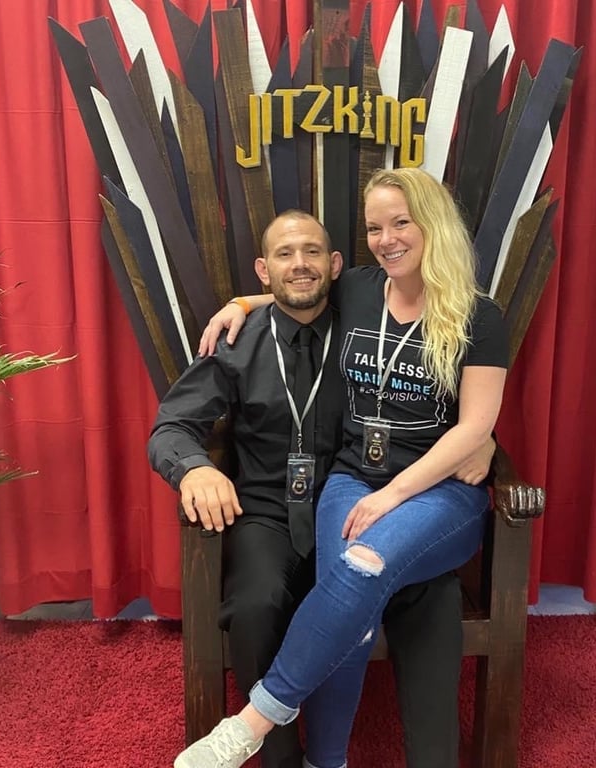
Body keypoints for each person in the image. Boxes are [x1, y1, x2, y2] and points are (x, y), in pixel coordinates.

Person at [181, 167, 509, 768]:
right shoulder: (360, 288)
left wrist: (393, 495)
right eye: (374, 228)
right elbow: (295, 291)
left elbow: (473, 428)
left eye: (401, 223)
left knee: (362, 566)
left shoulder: (479, 318)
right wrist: (241, 302)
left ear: (433, 223)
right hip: (352, 480)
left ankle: (254, 720)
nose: (386, 239)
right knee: (349, 610)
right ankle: (325, 762)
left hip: (437, 492)